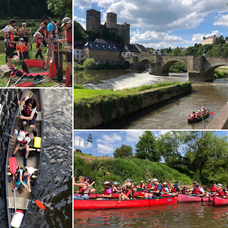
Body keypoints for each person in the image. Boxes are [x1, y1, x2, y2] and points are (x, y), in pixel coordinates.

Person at [59, 17, 72, 85]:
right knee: (69, 63)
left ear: (69, 23)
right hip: (68, 49)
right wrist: (62, 40)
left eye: (65, 24)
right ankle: (70, 80)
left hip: (70, 50)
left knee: (70, 64)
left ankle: (71, 81)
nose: (64, 26)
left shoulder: (72, 30)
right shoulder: (67, 29)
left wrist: (70, 47)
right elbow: (67, 39)